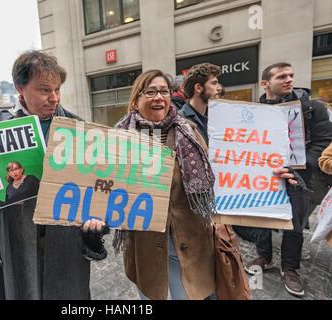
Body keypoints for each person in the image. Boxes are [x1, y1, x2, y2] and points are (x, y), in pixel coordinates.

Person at [0, 50, 108, 300]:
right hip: (9, 246)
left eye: (57, 89)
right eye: (44, 90)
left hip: (62, 248)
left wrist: (95, 226)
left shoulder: (78, 128)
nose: (54, 98)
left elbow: (95, 188)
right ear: (20, 88)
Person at [112, 69, 218, 300]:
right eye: (150, 92)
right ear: (135, 100)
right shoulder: (119, 139)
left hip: (189, 239)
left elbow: (214, 174)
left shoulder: (189, 132)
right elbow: (104, 185)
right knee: (152, 294)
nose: (159, 97)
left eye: (164, 91)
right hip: (145, 242)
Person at [244, 62, 332, 297]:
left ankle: (290, 268)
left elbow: (323, 143)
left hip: (298, 178)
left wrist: (298, 169)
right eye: (282, 76)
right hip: (264, 178)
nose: (289, 79)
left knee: (293, 224)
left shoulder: (313, 108)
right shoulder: (254, 113)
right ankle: (265, 256)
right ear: (265, 84)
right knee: (262, 216)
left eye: (291, 75)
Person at [177, 63, 223, 144]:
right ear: (198, 88)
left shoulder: (217, 117)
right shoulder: (181, 120)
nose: (219, 88)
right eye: (214, 83)